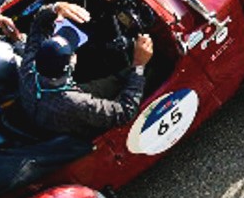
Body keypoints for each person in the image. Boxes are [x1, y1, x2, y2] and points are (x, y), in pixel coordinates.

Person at [16, 19, 154, 140]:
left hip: (43, 111)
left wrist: (56, 8)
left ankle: (124, 76)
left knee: (117, 79)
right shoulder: (74, 103)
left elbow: (38, 27)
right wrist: (139, 65)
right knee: (149, 74)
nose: (74, 54)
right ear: (69, 66)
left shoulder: (28, 67)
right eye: (72, 54)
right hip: (74, 129)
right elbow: (125, 112)